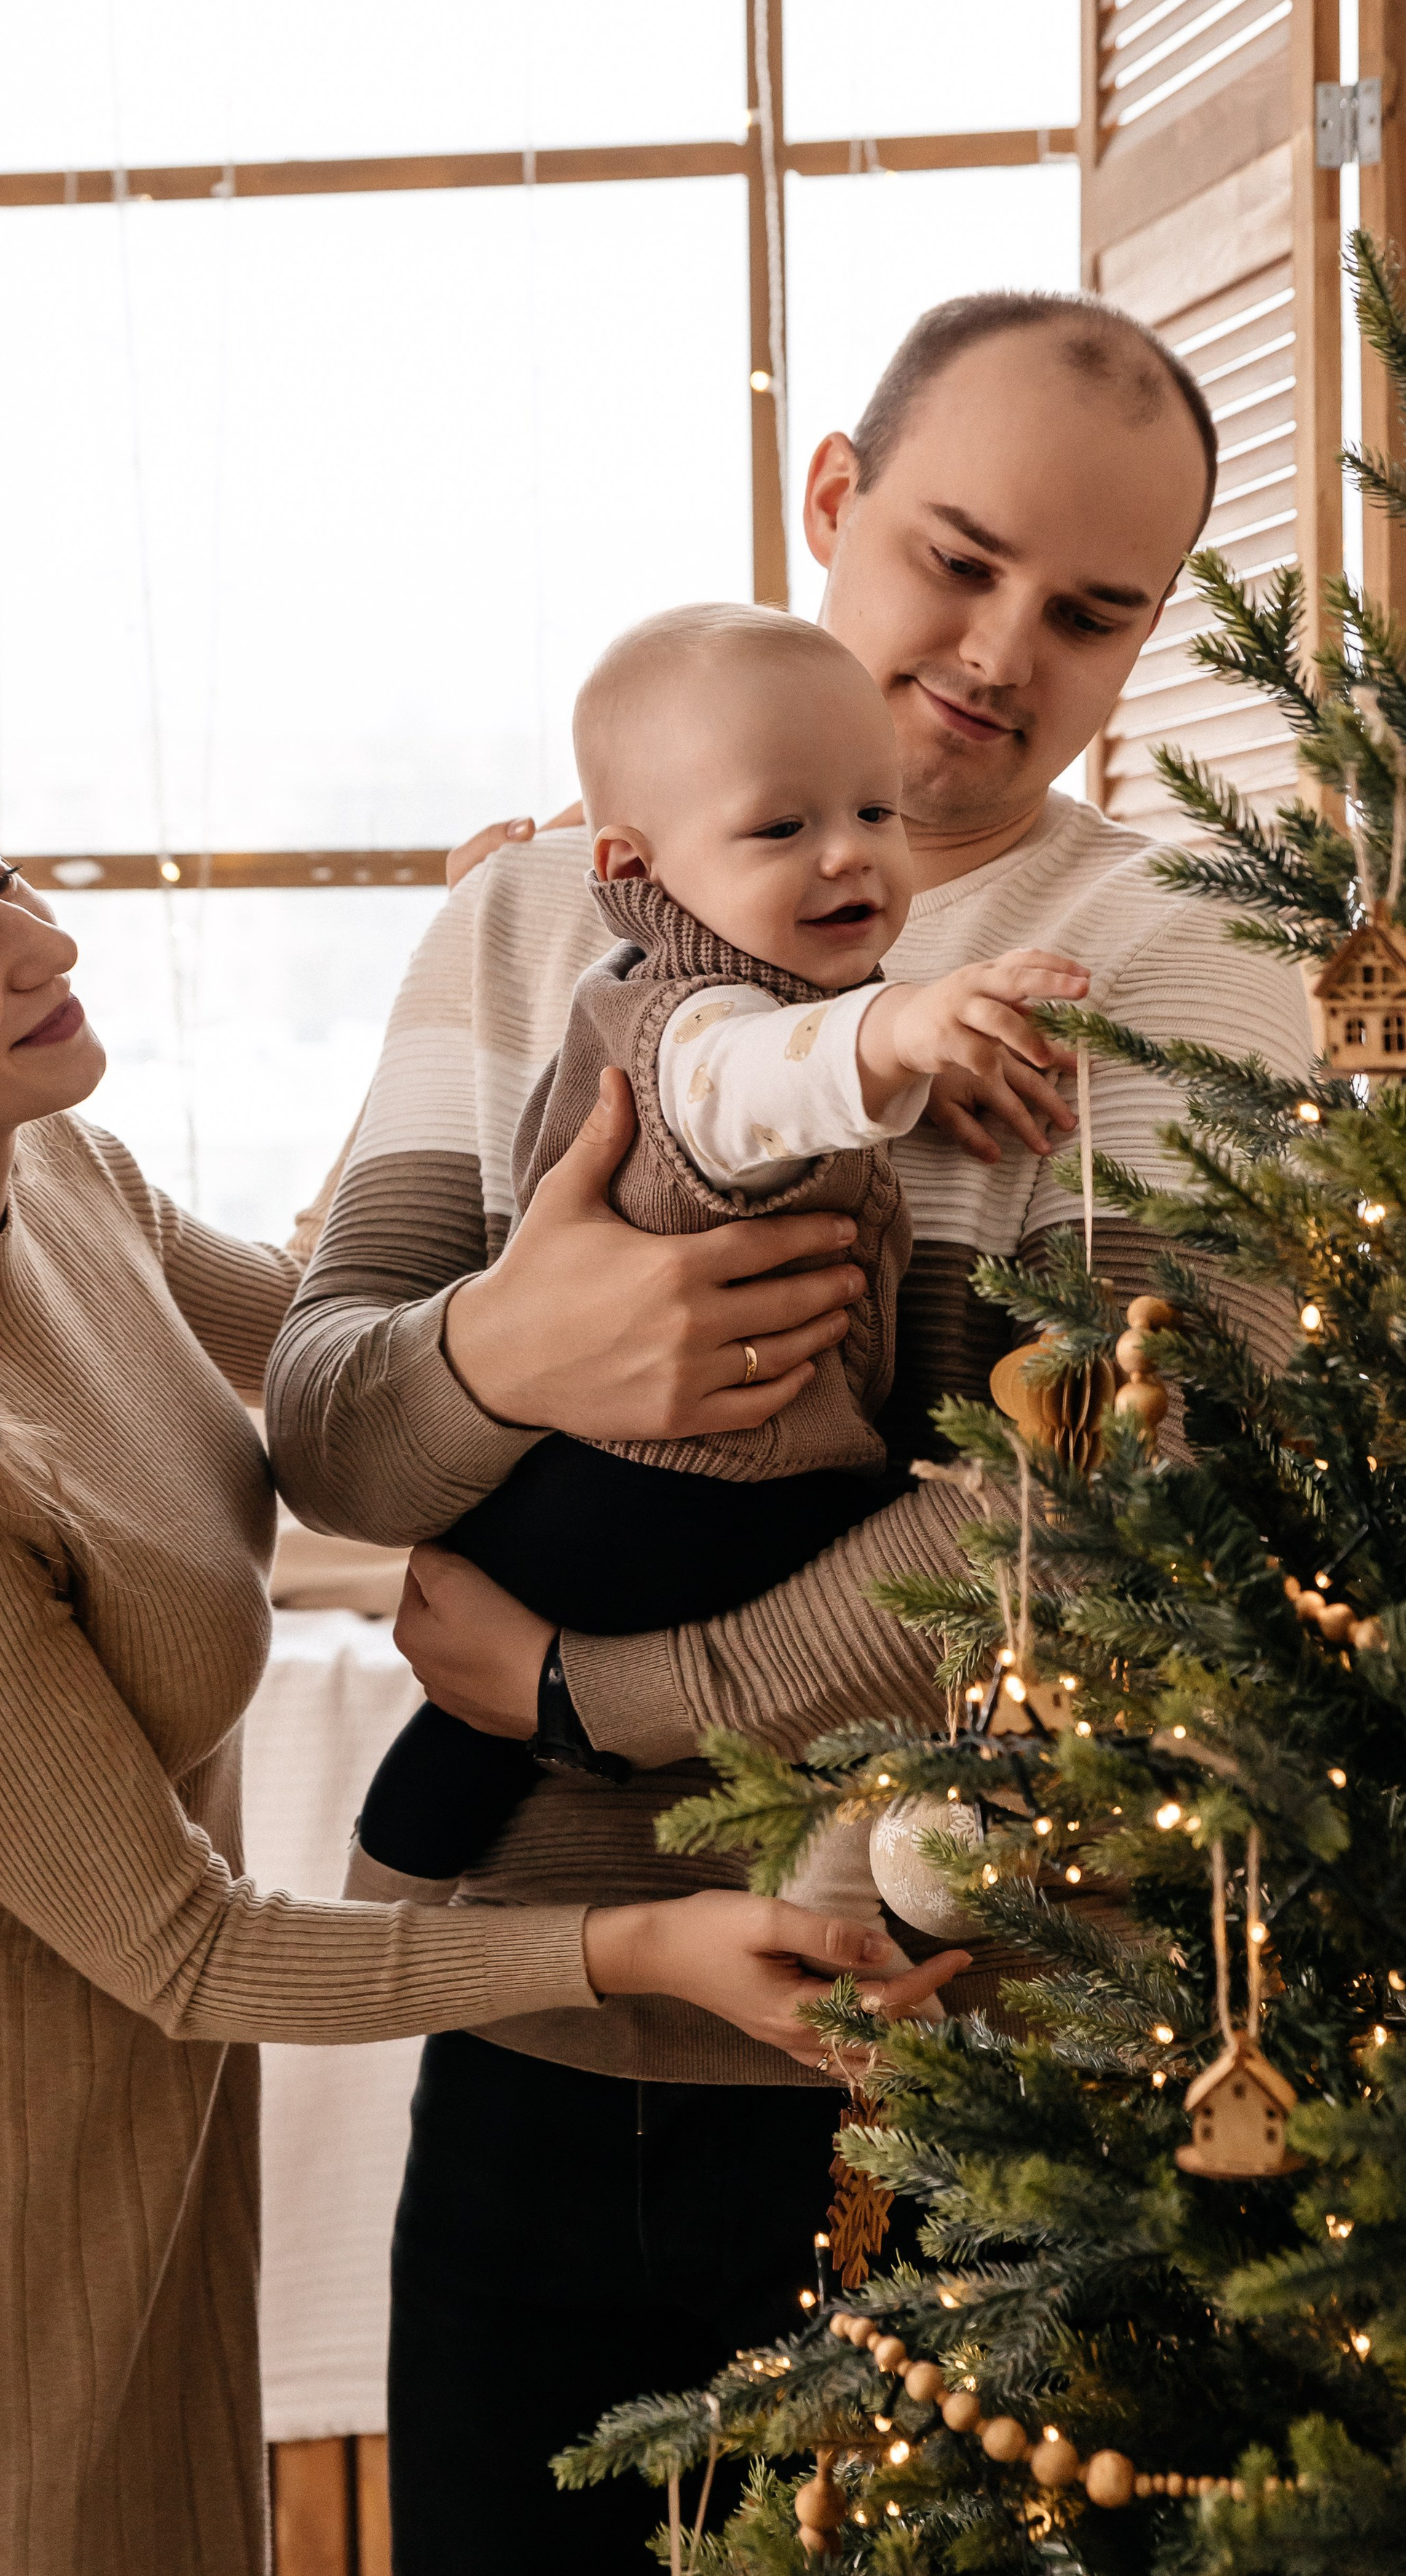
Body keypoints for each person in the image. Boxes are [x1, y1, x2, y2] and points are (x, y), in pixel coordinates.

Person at [0, 735, 968, 2576]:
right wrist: (635, 1943)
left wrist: (510, 968)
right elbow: (186, 1950)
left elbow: (343, 1379)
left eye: (4, 875)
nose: (44, 941)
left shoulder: (67, 1183)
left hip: (128, 2188)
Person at [265, 289, 1315, 2576]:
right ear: (834, 495)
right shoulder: (530, 914)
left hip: (957, 2077)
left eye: (1091, 610)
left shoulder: (1177, 966)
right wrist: (524, 1346)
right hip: (539, 2018)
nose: (1002, 653)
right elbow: (333, 1429)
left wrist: (595, 1694)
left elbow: (1099, 1518)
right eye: (957, 557)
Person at [350, 602, 1084, 1940]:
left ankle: (380, 1897)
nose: (849, 854)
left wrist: (913, 1065)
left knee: (472, 1747)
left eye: (873, 812)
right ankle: (368, 1925)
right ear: (635, 864)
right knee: (908, 1612)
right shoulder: (686, 1016)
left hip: (675, 1484)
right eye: (783, 827)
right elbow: (749, 1090)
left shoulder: (767, 988)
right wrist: (903, 1030)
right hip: (666, 1493)